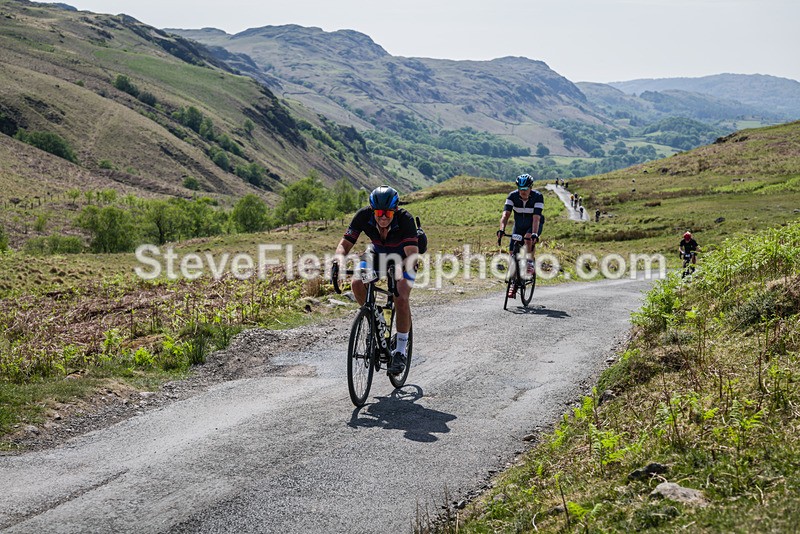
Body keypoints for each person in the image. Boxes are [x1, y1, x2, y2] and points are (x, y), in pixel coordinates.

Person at [332, 185, 418, 376]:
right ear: (373, 210)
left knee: (401, 297)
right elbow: (344, 244)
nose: (383, 216)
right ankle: (373, 315)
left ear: (394, 210)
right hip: (376, 255)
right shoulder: (363, 216)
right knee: (356, 282)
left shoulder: (406, 220)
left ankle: (400, 351)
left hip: (403, 259)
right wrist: (338, 261)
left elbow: (412, 255)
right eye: (379, 212)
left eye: (388, 212)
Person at [497, 174, 544, 298]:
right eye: (520, 189)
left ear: (531, 188)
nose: (523, 192)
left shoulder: (538, 197)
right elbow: (505, 215)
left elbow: (536, 218)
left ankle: (529, 263)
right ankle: (514, 283)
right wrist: (501, 230)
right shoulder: (512, 196)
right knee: (512, 253)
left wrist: (534, 234)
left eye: (525, 189)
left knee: (528, 239)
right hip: (519, 226)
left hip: (534, 225)